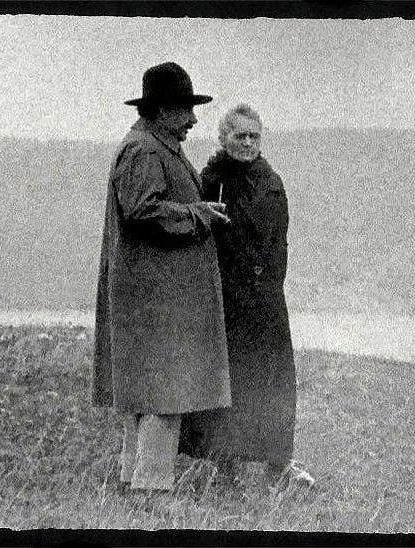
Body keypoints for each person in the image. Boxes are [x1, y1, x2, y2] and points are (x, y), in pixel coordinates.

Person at [92, 62, 232, 493]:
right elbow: (142, 210)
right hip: (156, 301)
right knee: (163, 396)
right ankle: (151, 491)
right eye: (185, 109)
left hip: (152, 298)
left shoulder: (151, 144)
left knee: (151, 396)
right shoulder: (146, 151)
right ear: (161, 110)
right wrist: (199, 214)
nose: (193, 119)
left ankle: (133, 484)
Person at [179, 104, 314, 491]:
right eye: (240, 136)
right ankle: (224, 468)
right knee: (228, 384)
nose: (248, 143)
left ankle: (277, 465)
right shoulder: (210, 181)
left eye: (254, 136)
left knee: (272, 383)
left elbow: (279, 245)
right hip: (226, 301)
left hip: (266, 302)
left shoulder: (272, 182)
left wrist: (270, 287)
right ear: (224, 139)